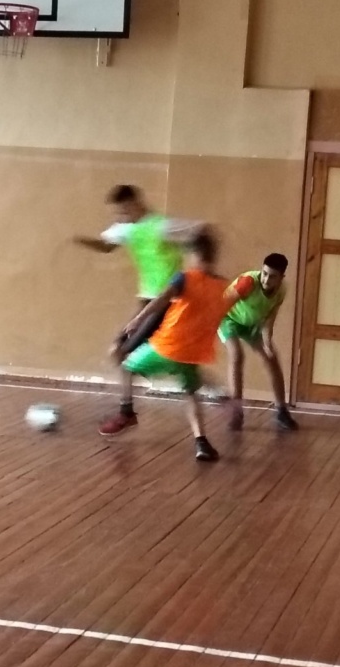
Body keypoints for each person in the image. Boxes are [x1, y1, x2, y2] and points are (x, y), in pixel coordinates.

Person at [98, 229, 244, 461]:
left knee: (126, 365)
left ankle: (127, 412)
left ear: (194, 254)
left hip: (167, 347)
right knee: (191, 394)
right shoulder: (223, 287)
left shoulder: (185, 278)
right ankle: (202, 442)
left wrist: (137, 320)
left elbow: (160, 300)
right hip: (193, 353)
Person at [74, 185, 202, 357]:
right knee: (130, 353)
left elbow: (200, 233)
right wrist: (80, 240)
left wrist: (198, 266)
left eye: (123, 212)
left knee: (120, 352)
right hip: (146, 299)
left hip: (167, 300)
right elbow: (106, 246)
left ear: (135, 203)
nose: (120, 218)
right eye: (117, 214)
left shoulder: (163, 226)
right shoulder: (125, 228)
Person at [220, 253, 297, 431]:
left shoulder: (281, 291)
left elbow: (269, 319)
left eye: (272, 276)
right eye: (264, 273)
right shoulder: (248, 282)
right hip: (229, 319)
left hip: (252, 324)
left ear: (281, 278)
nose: (266, 279)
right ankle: (236, 412)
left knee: (271, 358)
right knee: (237, 355)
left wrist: (268, 343)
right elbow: (223, 305)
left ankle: (281, 411)